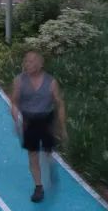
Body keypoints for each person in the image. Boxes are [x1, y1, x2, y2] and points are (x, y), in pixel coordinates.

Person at [9, 50, 66, 202]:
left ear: (40, 64)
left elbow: (59, 103)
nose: (28, 64)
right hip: (29, 121)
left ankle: (50, 165)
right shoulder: (19, 81)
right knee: (33, 154)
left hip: (46, 119)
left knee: (48, 152)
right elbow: (14, 101)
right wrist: (16, 118)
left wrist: (62, 126)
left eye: (32, 61)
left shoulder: (51, 82)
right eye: (26, 61)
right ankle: (38, 187)